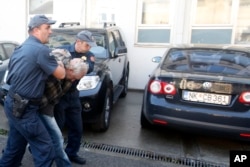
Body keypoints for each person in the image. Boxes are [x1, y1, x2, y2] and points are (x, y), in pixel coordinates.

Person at [0, 15, 65, 167]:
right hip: (25, 108)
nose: (51, 32)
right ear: (36, 30)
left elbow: (10, 77)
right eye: (47, 28)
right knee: (45, 148)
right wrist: (59, 62)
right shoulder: (41, 50)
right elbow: (61, 75)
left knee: (14, 147)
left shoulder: (20, 48)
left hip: (13, 103)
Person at [39, 49, 89, 167]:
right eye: (74, 78)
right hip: (49, 104)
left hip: (70, 99)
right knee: (55, 133)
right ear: (70, 70)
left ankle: (69, 155)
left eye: (77, 79)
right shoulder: (55, 73)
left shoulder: (71, 75)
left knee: (76, 128)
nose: (73, 81)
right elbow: (50, 96)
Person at [54, 30, 96, 165]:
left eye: (90, 46)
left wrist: (76, 65)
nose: (89, 48)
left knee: (77, 127)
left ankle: (71, 153)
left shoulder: (89, 55)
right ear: (78, 42)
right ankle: (48, 151)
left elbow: (89, 68)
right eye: (87, 45)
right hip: (59, 95)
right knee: (56, 127)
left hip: (73, 95)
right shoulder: (64, 51)